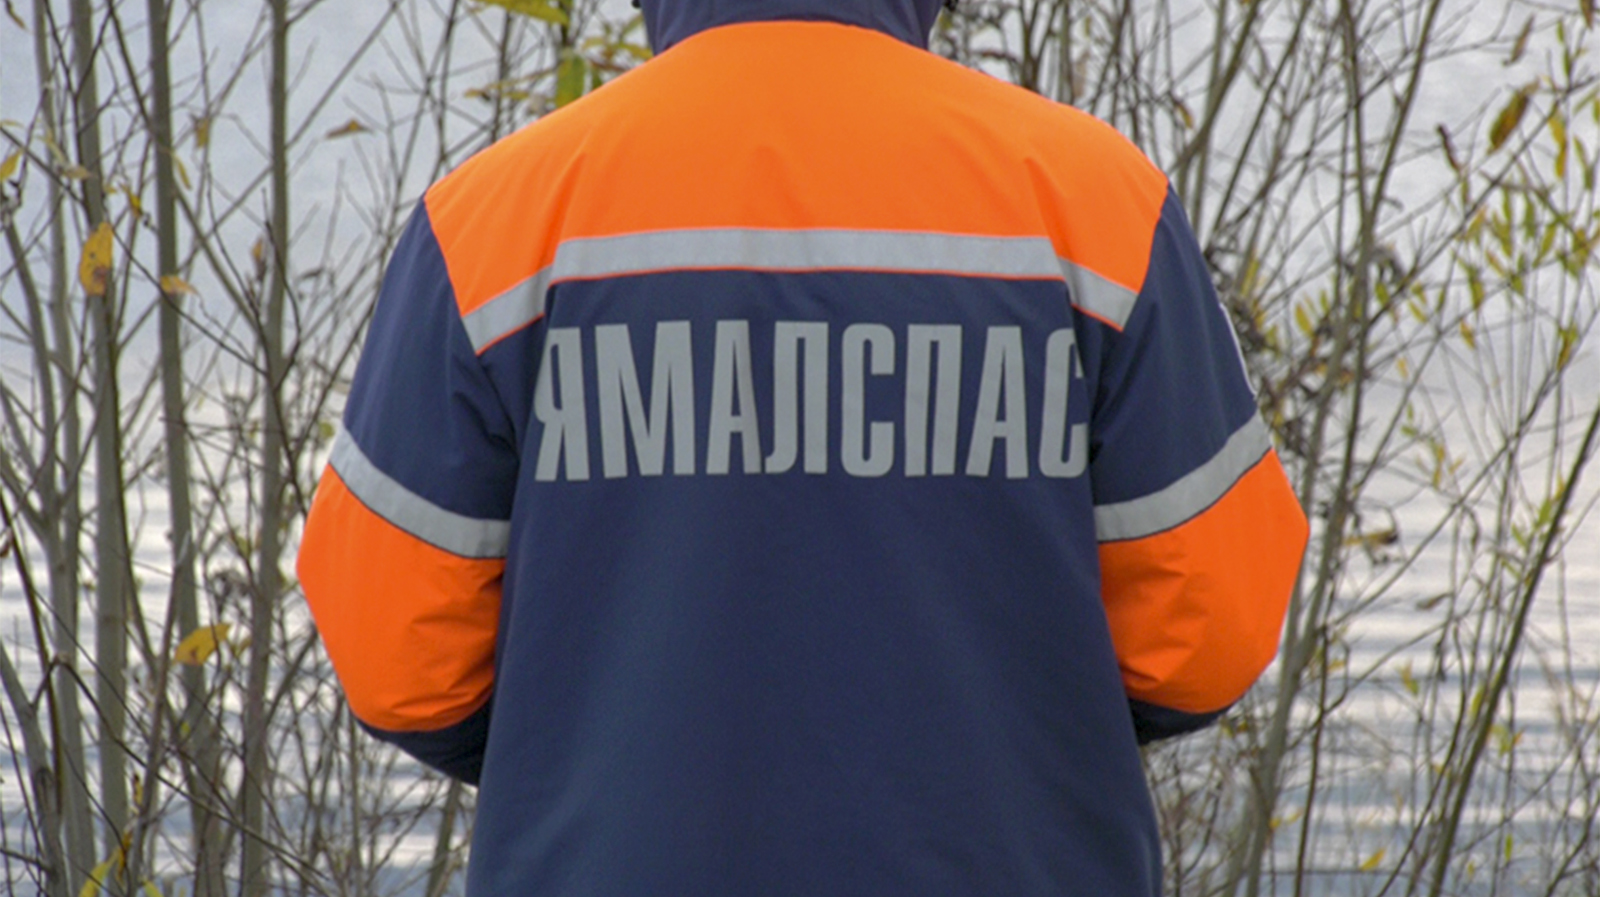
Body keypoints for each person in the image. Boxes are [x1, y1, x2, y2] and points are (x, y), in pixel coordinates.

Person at [296, 0, 1309, 893]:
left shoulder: (494, 221)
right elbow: (1206, 636)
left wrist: (583, 742)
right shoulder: (1093, 204)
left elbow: (400, 660)